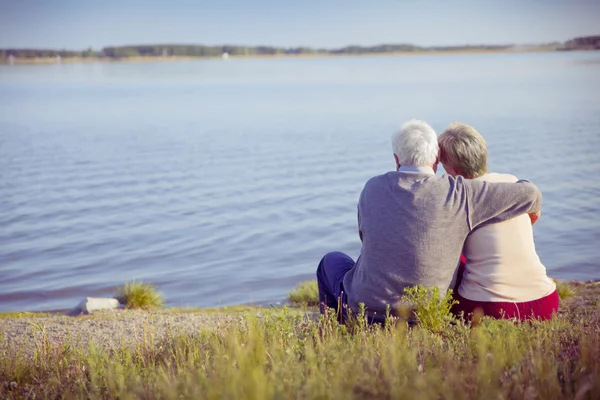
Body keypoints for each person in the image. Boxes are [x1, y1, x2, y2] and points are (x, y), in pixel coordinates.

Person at [316, 119, 543, 323]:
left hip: (368, 310)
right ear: (436, 158)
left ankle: (340, 327)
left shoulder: (372, 187)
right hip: (429, 311)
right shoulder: (459, 192)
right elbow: (530, 193)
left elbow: (367, 239)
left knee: (331, 261)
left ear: (396, 159)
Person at [438, 122, 558, 321]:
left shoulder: (457, 197)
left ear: (452, 169)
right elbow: (533, 216)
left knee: (456, 258)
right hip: (544, 302)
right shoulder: (511, 182)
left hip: (488, 309)